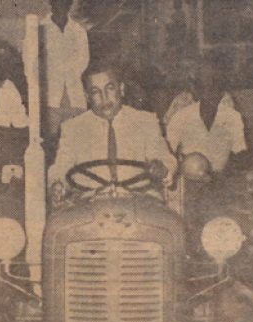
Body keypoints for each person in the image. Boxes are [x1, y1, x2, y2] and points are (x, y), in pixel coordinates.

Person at [48, 61, 176, 193]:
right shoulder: (73, 128)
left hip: (138, 199)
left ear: (121, 89)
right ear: (87, 97)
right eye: (95, 92)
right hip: (89, 203)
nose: (104, 98)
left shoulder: (145, 121)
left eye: (110, 88)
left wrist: (163, 168)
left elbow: (163, 157)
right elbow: (61, 168)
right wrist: (58, 183)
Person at [166, 70, 247, 175]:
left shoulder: (233, 117)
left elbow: (240, 152)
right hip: (189, 178)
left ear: (222, 92)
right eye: (205, 88)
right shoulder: (181, 117)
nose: (210, 93)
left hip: (221, 178)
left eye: (215, 87)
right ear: (196, 91)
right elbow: (167, 153)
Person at [41, 0, 90, 139]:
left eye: (65, 2)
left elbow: (83, 60)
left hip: (74, 96)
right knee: (52, 141)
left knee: (77, 139)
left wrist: (60, 68)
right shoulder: (40, 29)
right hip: (50, 99)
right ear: (51, 4)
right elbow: (31, 63)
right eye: (57, 2)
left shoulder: (78, 31)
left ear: (69, 5)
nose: (61, 6)